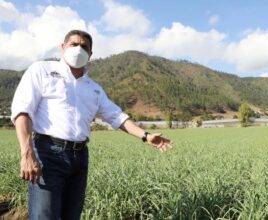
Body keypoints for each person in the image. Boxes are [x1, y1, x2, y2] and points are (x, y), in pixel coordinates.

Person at [11, 29, 173, 220]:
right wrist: (27, 153)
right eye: (74, 44)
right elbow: (22, 111)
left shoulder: (94, 89)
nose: (78, 49)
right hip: (47, 154)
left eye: (84, 46)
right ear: (63, 47)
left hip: (79, 158)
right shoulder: (42, 70)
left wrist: (145, 136)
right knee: (44, 216)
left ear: (90, 54)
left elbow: (116, 116)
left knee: (72, 216)